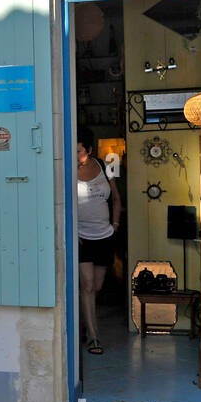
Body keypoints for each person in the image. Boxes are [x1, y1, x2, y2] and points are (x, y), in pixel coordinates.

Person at [76, 126, 121, 355]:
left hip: (104, 236)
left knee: (97, 286)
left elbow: (115, 197)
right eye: (74, 152)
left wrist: (115, 225)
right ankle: (94, 337)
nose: (76, 157)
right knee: (86, 286)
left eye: (80, 152)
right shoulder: (68, 170)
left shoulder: (105, 166)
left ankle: (85, 324)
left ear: (90, 150)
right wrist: (72, 232)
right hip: (82, 238)